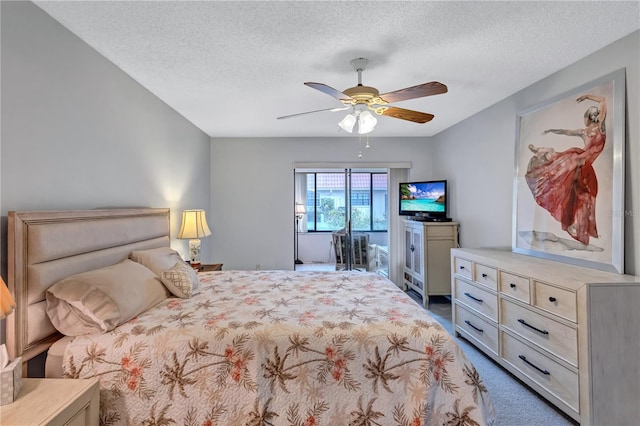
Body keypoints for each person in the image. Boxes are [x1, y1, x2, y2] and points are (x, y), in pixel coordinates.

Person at [524, 94, 607, 246]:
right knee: (573, 190)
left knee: (558, 165)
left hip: (580, 164)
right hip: (583, 166)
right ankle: (541, 152)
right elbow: (602, 101)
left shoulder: (589, 130)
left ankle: (541, 152)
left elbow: (566, 131)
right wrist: (553, 130)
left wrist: (553, 130)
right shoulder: (597, 130)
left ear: (588, 117)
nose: (585, 121)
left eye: (585, 118)